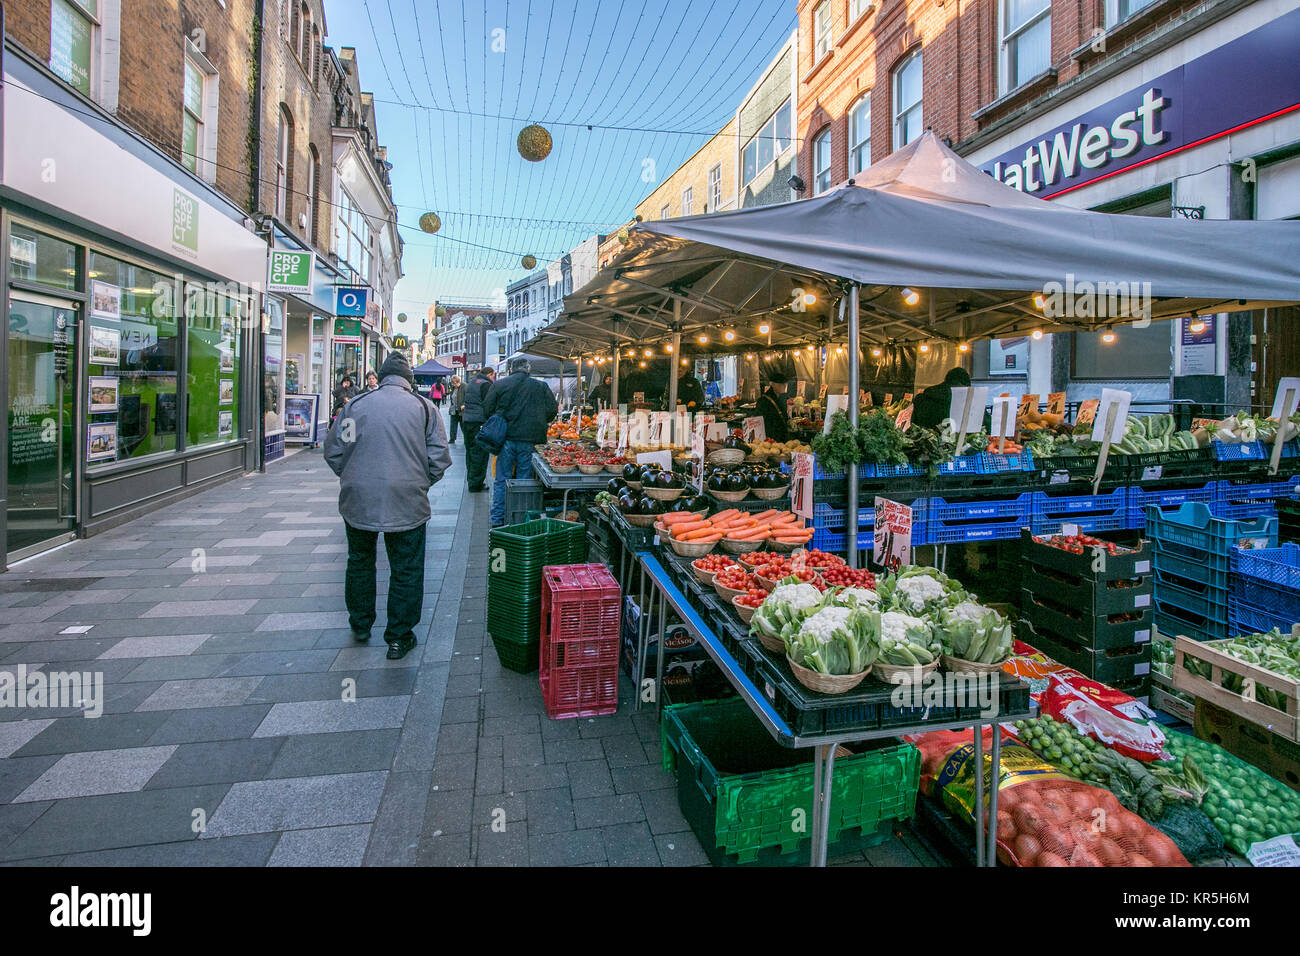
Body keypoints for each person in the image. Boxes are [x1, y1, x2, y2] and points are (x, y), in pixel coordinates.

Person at [324, 351, 451, 660]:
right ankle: (398, 636)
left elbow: (334, 450)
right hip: (406, 498)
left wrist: (354, 475)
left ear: (379, 379)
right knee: (406, 567)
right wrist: (419, 481)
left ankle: (361, 624)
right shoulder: (424, 408)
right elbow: (439, 457)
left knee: (360, 561)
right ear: (409, 381)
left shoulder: (356, 405)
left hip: (359, 498)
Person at [485, 357, 558, 528]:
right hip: (531, 439)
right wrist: (539, 421)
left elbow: (487, 409)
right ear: (528, 368)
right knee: (525, 480)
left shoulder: (500, 384)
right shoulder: (540, 386)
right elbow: (552, 410)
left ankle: (498, 519)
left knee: (502, 479)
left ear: (511, 368)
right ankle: (520, 519)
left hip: (506, 438)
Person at [460, 366, 495, 492]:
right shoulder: (486, 385)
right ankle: (476, 484)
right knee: (479, 452)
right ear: (490, 374)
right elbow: (489, 404)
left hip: (467, 421)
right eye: (493, 376)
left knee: (470, 452)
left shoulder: (472, 383)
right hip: (479, 421)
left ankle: (471, 479)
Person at [912, 366, 972, 431]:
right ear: (961, 386)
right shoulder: (958, 404)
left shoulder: (920, 398)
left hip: (920, 439)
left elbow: (912, 424)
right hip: (948, 439)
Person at [448, 375, 465, 443]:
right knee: (453, 425)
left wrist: (464, 404)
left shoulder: (464, 386)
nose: (454, 384)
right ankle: (452, 438)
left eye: (455, 383)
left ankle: (466, 438)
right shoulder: (453, 388)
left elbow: (467, 397)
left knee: (463, 425)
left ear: (458, 381)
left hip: (462, 410)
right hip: (454, 409)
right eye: (453, 383)